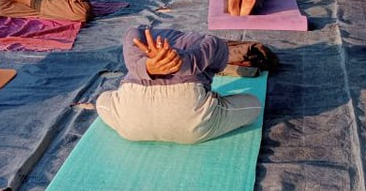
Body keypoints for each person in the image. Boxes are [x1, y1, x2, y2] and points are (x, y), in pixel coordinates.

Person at [95, 27, 262, 144]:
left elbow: (130, 35)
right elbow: (216, 60)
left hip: (130, 115)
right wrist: (181, 62)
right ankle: (211, 104)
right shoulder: (210, 42)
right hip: (189, 116)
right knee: (254, 105)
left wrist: (146, 67)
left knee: (102, 101)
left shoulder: (138, 36)